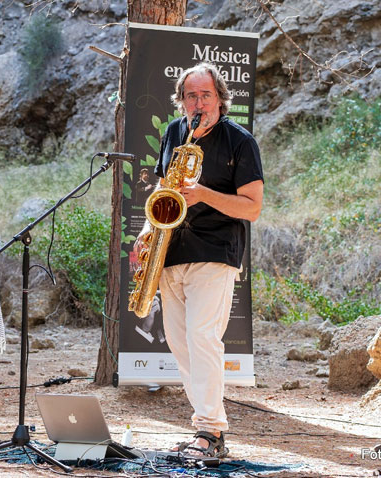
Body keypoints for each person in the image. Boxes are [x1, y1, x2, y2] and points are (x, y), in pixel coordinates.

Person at [136, 62, 263, 457]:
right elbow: (162, 186)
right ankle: (205, 428)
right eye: (191, 95)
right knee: (179, 343)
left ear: (221, 100)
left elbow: (253, 208)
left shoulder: (240, 141)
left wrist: (204, 194)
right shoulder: (175, 132)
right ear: (182, 100)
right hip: (172, 250)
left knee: (202, 339)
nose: (198, 103)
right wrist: (145, 233)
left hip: (215, 250)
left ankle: (211, 431)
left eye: (206, 95)